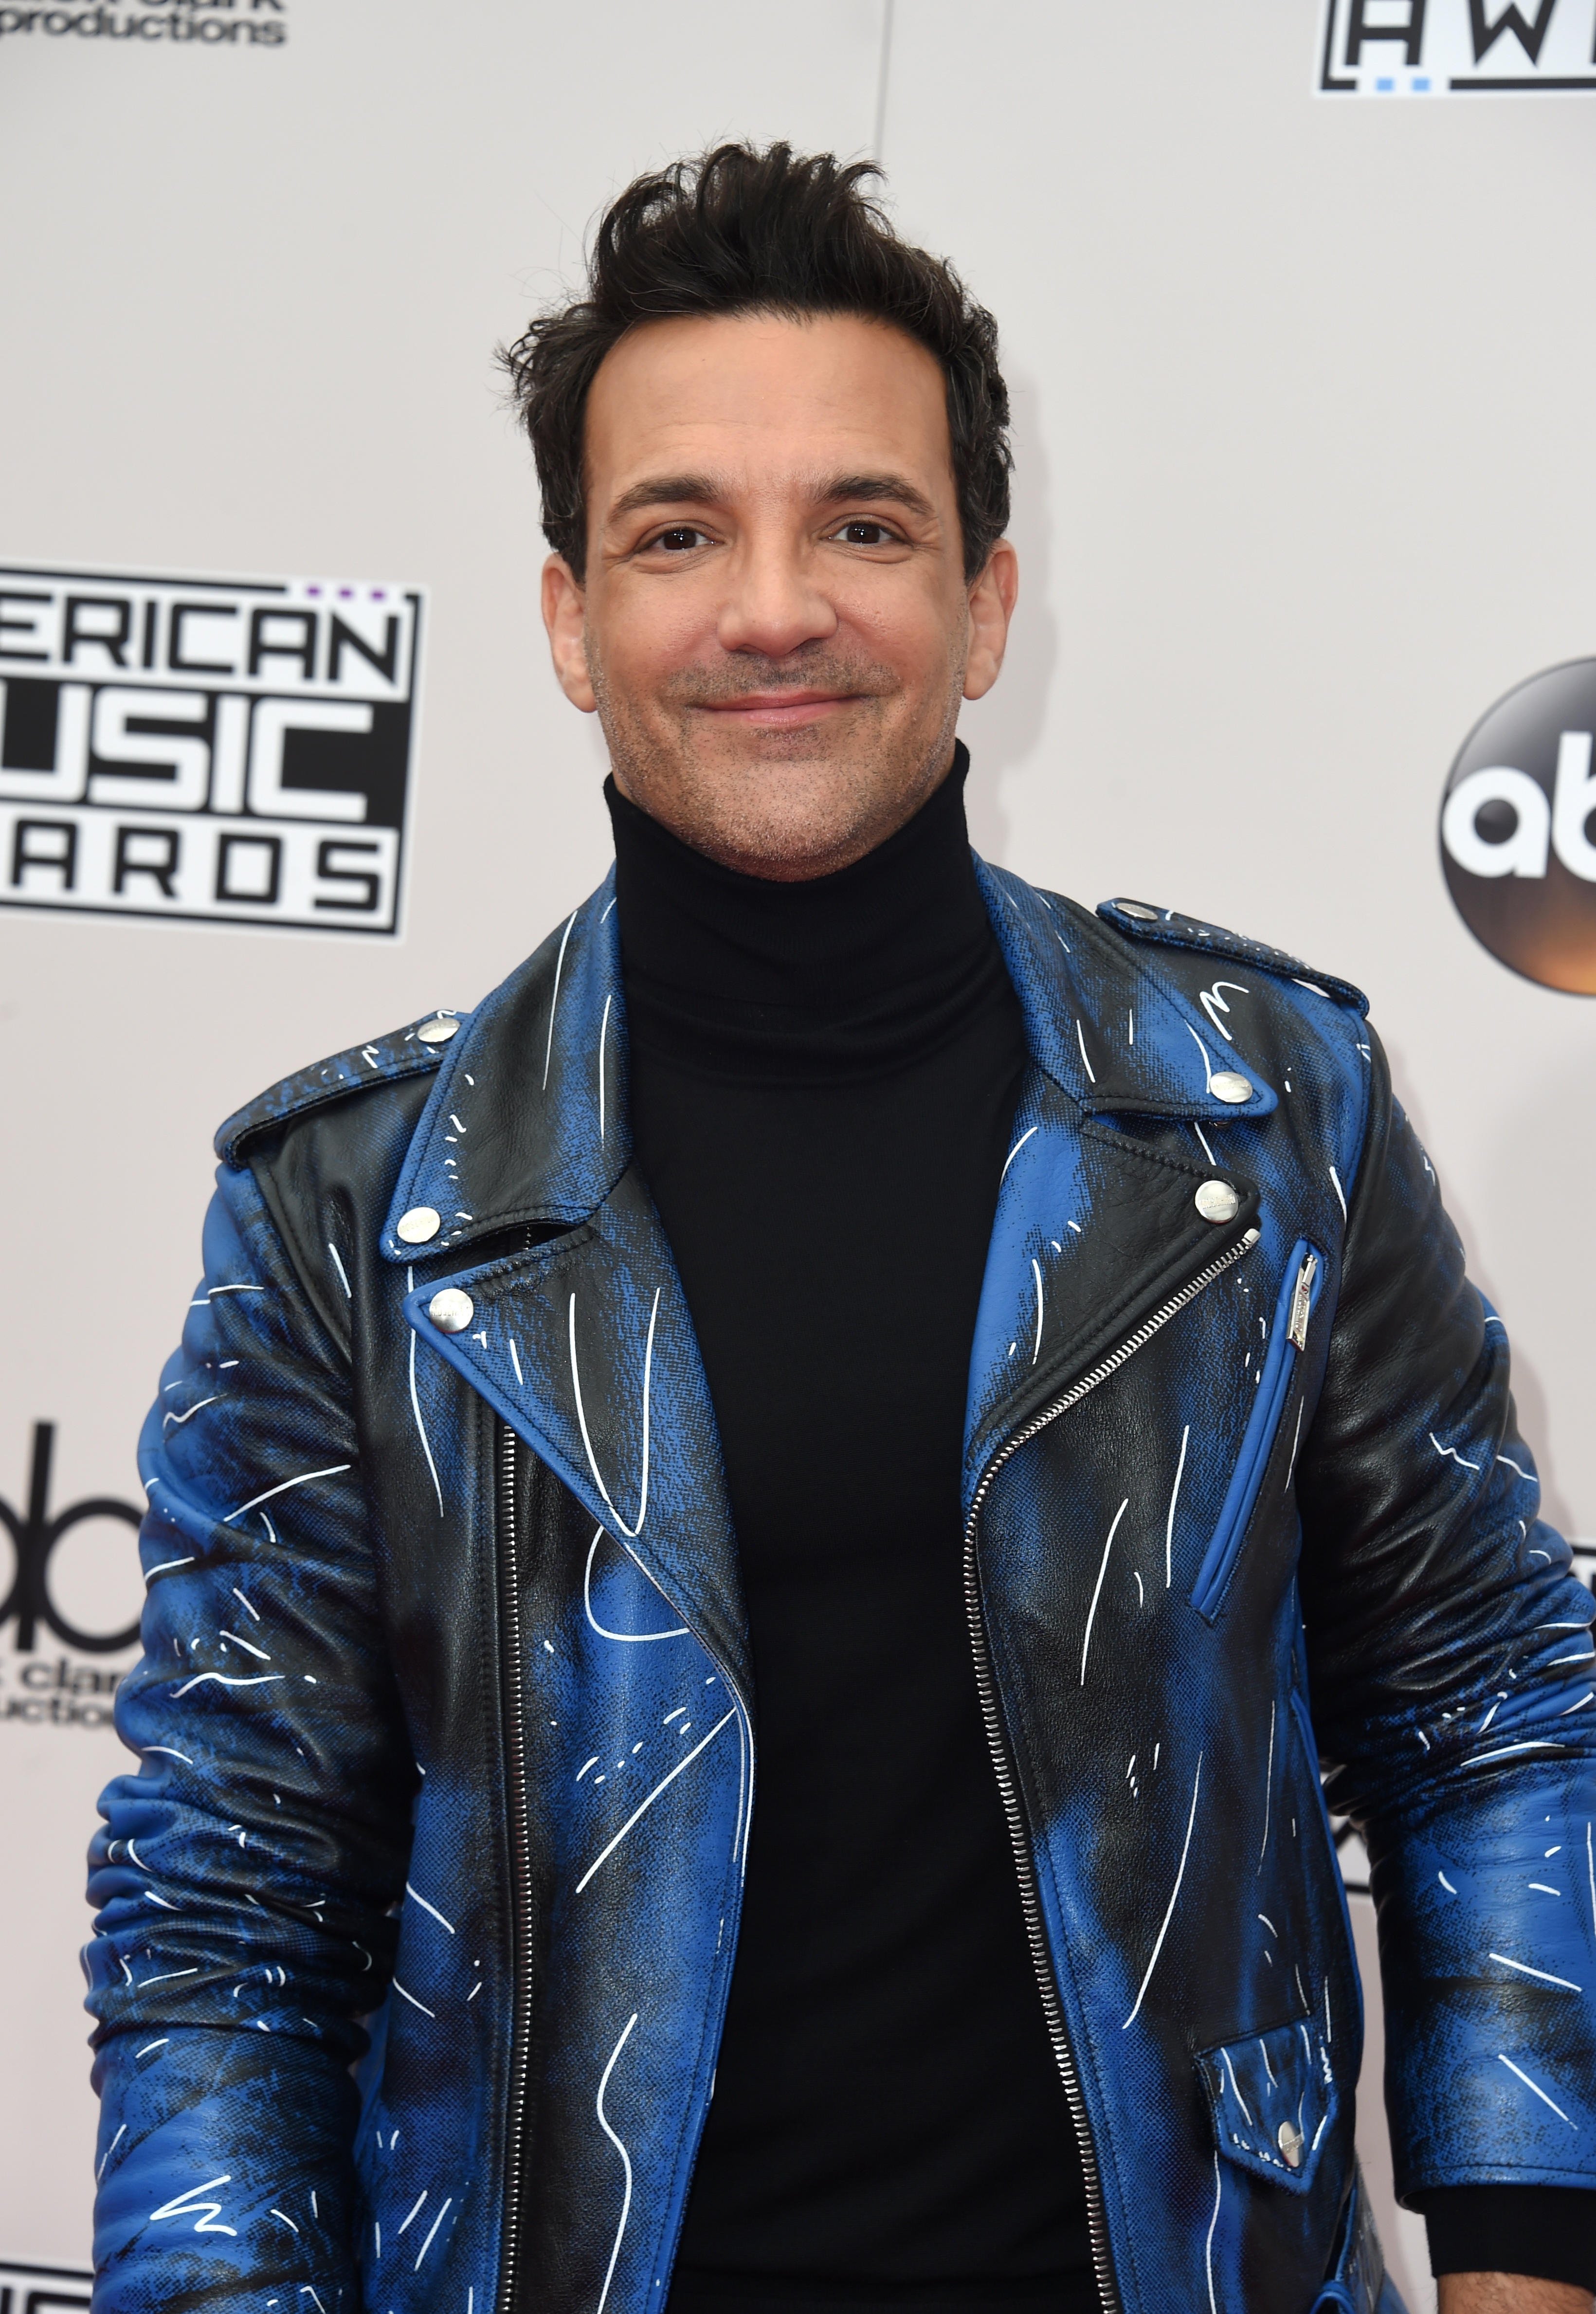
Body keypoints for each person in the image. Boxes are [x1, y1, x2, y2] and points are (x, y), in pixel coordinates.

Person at [85, 145, 1595, 2314]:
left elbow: (1488, 1703)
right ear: (569, 619)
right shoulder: (354, 1203)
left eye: (863, 526)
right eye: (678, 531)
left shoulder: (1265, 1110)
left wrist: (1530, 2265)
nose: (773, 607)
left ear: (986, 603)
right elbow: (225, 1905)